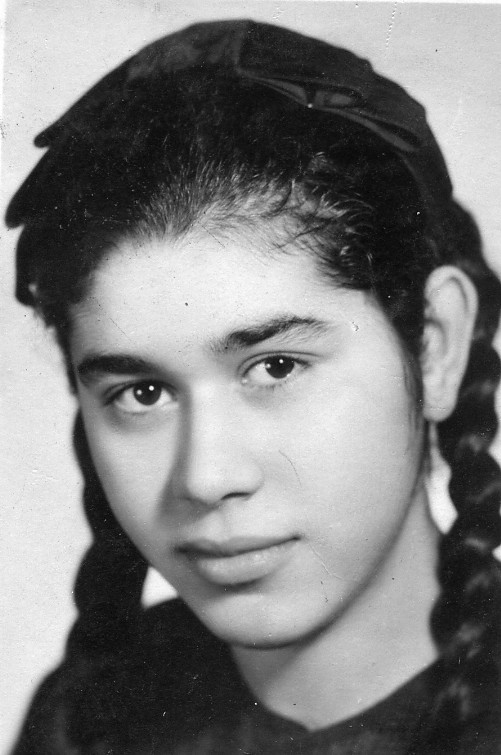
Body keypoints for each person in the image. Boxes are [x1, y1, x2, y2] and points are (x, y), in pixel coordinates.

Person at [6, 18, 501, 754]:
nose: (207, 478)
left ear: (434, 344)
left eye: (276, 367)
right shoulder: (82, 720)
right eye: (143, 393)